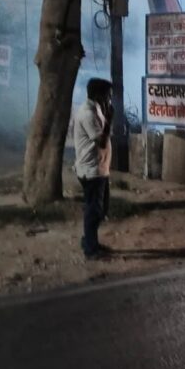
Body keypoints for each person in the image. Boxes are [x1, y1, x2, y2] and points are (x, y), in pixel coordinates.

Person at [73, 78, 114, 260]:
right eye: (108, 95)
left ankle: (91, 241)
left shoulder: (96, 109)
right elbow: (101, 141)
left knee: (101, 210)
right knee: (94, 211)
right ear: (98, 95)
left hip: (100, 169)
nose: (110, 99)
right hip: (91, 171)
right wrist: (109, 120)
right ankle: (90, 249)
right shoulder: (87, 114)